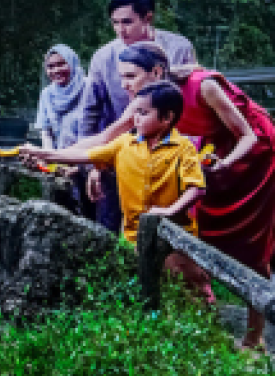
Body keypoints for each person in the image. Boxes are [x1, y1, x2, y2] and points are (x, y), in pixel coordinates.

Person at [23, 81, 208, 297]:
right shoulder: (124, 144)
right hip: (133, 237)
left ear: (167, 118)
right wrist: (43, 154)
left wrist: (170, 211)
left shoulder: (183, 148)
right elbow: (86, 155)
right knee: (142, 292)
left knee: (191, 292)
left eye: (143, 112)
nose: (135, 118)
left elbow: (196, 188)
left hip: (175, 238)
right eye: (135, 111)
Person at [168, 64, 275, 351]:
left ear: (155, 72)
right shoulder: (146, 99)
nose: (124, 83)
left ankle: (255, 337)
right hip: (212, 152)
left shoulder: (203, 86)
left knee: (253, 245)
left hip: (252, 155)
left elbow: (248, 135)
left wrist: (225, 165)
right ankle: (203, 320)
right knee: (198, 229)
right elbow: (113, 137)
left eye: (130, 75)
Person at [78, 0, 196, 232]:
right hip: (121, 155)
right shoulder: (103, 58)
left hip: (170, 156)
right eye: (115, 23)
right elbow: (90, 114)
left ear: (148, 17)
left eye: (128, 22)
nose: (121, 30)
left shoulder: (178, 49)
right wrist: (93, 167)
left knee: (171, 230)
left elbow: (193, 102)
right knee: (113, 231)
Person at [36, 45, 86, 150]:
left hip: (90, 156)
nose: (56, 70)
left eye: (61, 64)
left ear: (72, 63)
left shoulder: (90, 87)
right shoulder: (47, 94)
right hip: (61, 158)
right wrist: (50, 157)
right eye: (50, 66)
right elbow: (46, 133)